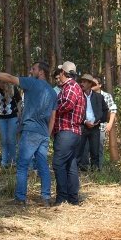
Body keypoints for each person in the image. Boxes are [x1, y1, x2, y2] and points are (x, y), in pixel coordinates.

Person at [0, 62, 57, 206]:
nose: (31, 70)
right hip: (43, 133)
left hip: (30, 130)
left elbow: (10, 78)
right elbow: (53, 117)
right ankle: (46, 198)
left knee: (22, 165)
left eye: (34, 68)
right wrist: (47, 135)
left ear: (41, 72)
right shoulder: (52, 92)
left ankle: (20, 199)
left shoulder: (32, 83)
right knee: (43, 165)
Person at [52, 61, 86, 205]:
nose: (58, 75)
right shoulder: (70, 87)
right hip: (72, 132)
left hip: (67, 131)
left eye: (60, 73)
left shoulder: (71, 87)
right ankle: (73, 198)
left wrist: (52, 108)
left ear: (64, 73)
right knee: (70, 166)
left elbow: (68, 104)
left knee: (58, 163)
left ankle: (62, 198)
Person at [77, 73, 109, 171]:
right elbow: (76, 112)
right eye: (81, 81)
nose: (82, 83)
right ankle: (80, 170)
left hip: (95, 127)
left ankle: (95, 171)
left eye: (84, 82)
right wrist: (85, 121)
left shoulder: (99, 97)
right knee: (80, 150)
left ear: (90, 84)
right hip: (82, 126)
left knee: (95, 151)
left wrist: (99, 121)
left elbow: (105, 110)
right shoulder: (78, 96)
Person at [0, 79, 22, 168]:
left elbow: (19, 100)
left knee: (11, 139)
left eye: (1, 82)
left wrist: (19, 112)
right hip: (1, 118)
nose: (0, 84)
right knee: (4, 140)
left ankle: (13, 161)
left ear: (5, 82)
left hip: (13, 117)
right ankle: (4, 162)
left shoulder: (12, 88)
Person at [92, 76, 117, 169]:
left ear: (100, 85)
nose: (92, 86)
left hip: (101, 126)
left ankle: (99, 168)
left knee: (99, 148)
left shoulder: (106, 96)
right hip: (88, 126)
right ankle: (88, 169)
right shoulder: (88, 95)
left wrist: (110, 124)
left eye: (94, 84)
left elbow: (113, 109)